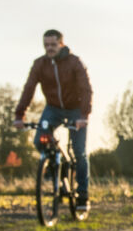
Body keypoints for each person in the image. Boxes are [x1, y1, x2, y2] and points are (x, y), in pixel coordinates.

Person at [14, 28, 94, 211]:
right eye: (46, 45)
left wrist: (83, 116)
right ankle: (56, 165)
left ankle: (83, 195)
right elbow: (29, 88)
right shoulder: (40, 65)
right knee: (39, 141)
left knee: (79, 152)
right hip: (53, 109)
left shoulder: (74, 63)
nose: (49, 48)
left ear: (61, 44)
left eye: (53, 44)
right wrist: (20, 115)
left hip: (76, 109)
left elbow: (86, 89)